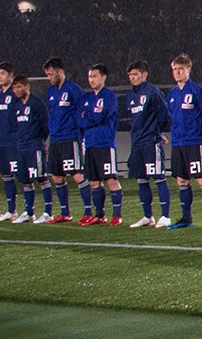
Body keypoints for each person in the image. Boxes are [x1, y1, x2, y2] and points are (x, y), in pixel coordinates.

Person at [166, 53, 202, 230]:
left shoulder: (197, 91)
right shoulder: (172, 94)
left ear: (188, 70)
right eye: (175, 69)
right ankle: (186, 218)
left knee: (201, 178)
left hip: (194, 141)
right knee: (182, 180)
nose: (178, 72)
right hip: (178, 143)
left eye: (181, 69)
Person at [124, 60, 173, 228]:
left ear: (144, 75)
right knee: (141, 180)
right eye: (130, 75)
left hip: (151, 142)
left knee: (159, 178)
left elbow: (164, 115)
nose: (132, 78)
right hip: (136, 143)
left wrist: (157, 132)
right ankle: (147, 216)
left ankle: (165, 216)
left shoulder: (153, 93)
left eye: (135, 74)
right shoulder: (130, 96)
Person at [42, 57, 88, 223]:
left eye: (51, 74)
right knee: (57, 177)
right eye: (47, 75)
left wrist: (81, 136)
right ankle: (65, 213)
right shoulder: (51, 92)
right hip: (56, 139)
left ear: (60, 72)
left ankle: (88, 212)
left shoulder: (73, 89)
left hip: (70, 138)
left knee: (77, 174)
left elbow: (82, 113)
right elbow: (53, 116)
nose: (49, 78)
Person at [76, 63, 123, 225]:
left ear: (103, 77)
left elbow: (100, 116)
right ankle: (100, 214)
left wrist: (87, 116)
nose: (91, 79)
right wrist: (89, 117)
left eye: (94, 76)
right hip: (90, 144)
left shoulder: (109, 96)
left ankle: (117, 215)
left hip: (105, 143)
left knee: (110, 179)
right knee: (94, 181)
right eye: (89, 76)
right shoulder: (86, 98)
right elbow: (79, 119)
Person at [9, 75, 51, 224]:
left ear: (27, 86)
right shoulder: (17, 105)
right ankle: (29, 212)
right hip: (21, 148)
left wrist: (41, 141)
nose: (16, 90)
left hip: (35, 146)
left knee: (41, 178)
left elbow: (46, 125)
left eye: (19, 87)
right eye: (14, 87)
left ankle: (48, 212)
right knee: (25, 181)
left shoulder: (36, 103)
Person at [0, 62, 19, 221]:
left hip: (14, 142)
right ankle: (11, 210)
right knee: (6, 176)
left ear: (10, 75)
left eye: (2, 74)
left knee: (23, 177)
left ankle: (30, 211)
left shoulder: (15, 94)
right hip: (0, 142)